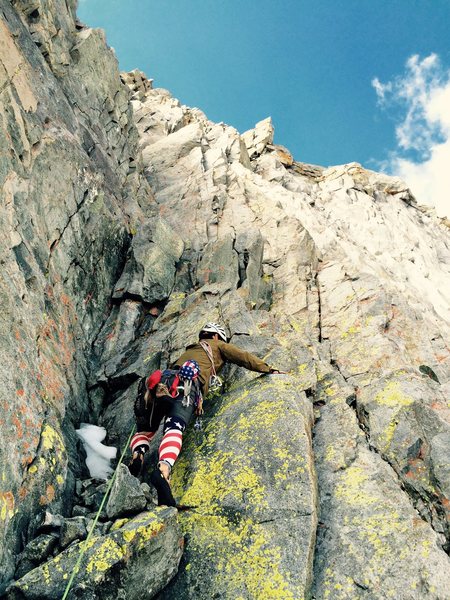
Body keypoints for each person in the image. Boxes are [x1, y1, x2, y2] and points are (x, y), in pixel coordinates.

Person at [128, 322, 285, 506]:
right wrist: (267, 368)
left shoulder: (187, 352)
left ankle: (138, 454)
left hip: (162, 380)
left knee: (145, 430)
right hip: (185, 385)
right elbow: (242, 356)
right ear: (216, 336)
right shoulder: (216, 344)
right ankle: (163, 470)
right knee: (174, 428)